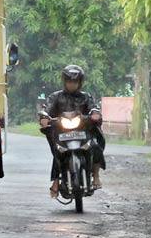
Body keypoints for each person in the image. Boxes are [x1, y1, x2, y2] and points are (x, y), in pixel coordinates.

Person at [39, 64, 106, 198]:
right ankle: (56, 181)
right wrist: (44, 117)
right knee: (58, 151)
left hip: (83, 132)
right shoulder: (55, 97)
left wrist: (95, 114)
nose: (72, 85)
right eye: (69, 81)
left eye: (75, 82)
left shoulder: (86, 97)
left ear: (80, 83)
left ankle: (96, 176)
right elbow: (47, 109)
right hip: (62, 132)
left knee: (95, 146)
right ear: (64, 82)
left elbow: (94, 108)